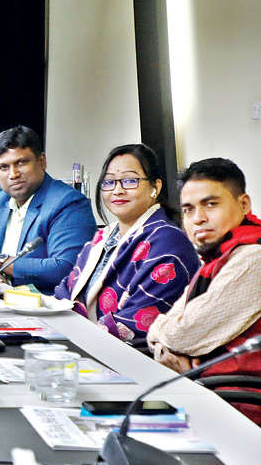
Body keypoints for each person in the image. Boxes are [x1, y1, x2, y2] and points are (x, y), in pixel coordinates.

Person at [148, 158, 261, 423]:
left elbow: (181, 333)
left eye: (211, 204)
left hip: (238, 411)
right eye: (188, 210)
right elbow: (163, 329)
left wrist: (166, 342)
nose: (198, 219)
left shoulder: (253, 259)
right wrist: (165, 348)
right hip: (205, 395)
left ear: (244, 204)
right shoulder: (218, 258)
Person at [52, 145, 199, 344]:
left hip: (132, 355)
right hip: (82, 342)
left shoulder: (168, 243)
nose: (117, 190)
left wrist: (71, 332)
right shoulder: (104, 236)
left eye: (130, 181)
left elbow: (137, 321)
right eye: (109, 182)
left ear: (155, 187)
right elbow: (65, 291)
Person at [0, 126, 96, 293]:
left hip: (45, 304)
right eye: (4, 167)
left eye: (21, 163)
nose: (13, 174)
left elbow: (65, 268)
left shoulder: (67, 203)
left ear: (42, 161)